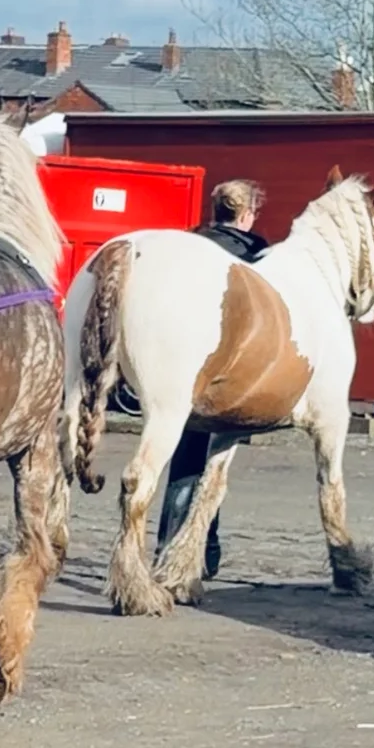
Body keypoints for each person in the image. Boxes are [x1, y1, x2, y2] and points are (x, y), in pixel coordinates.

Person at [155, 178, 270, 581]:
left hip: (180, 361)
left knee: (185, 453)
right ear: (246, 214)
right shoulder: (258, 254)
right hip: (231, 371)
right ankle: (203, 547)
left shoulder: (188, 245)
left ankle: (169, 543)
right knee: (214, 461)